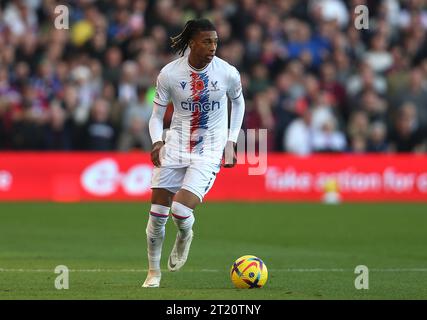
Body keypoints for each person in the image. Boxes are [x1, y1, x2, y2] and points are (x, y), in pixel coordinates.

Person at [143, 19, 245, 288]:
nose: (213, 47)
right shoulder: (169, 74)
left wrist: (232, 141)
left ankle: (185, 235)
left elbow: (238, 102)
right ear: (192, 43)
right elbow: (155, 116)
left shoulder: (227, 73)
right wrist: (157, 141)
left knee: (179, 209)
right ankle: (153, 273)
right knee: (156, 214)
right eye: (207, 41)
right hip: (175, 145)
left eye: (215, 41)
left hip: (209, 149)